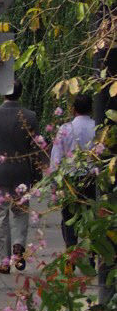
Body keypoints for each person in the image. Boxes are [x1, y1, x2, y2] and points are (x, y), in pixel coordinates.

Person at [0, 88, 44, 272]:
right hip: (22, 173)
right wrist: (38, 174)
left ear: (3, 93)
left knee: (0, 217)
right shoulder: (30, 116)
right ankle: (19, 245)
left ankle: (4, 260)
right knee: (20, 212)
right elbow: (36, 148)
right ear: (21, 94)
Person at [50, 92, 100, 249]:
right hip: (92, 178)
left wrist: (54, 182)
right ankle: (91, 255)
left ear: (73, 109)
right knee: (90, 214)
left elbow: (56, 157)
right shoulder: (97, 128)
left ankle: (70, 255)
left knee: (68, 217)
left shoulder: (66, 129)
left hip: (69, 179)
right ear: (91, 109)